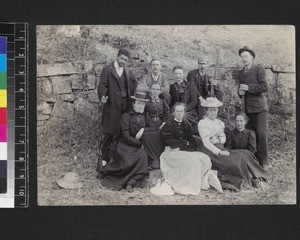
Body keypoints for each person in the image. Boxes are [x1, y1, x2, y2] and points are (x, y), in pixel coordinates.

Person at [158, 103, 220, 195]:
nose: (179, 113)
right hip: (172, 152)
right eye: (177, 111)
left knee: (205, 159)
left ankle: (201, 183)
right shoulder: (168, 125)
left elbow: (191, 141)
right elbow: (170, 142)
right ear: (173, 113)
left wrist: (186, 146)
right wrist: (184, 143)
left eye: (181, 111)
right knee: (193, 160)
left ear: (184, 113)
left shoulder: (186, 125)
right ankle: (187, 185)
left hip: (184, 150)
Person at [197, 97, 254, 191]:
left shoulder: (219, 122)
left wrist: (218, 140)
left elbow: (223, 139)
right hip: (208, 150)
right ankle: (235, 181)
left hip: (219, 146)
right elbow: (206, 142)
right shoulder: (203, 123)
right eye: (210, 110)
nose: (213, 112)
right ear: (206, 111)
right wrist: (219, 152)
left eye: (215, 110)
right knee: (232, 161)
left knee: (239, 155)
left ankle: (247, 179)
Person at [97, 48, 137, 174]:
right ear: (117, 57)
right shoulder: (108, 69)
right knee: (109, 133)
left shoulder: (126, 70)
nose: (123, 61)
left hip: (125, 106)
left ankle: (118, 160)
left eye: (126, 60)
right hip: (112, 106)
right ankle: (103, 160)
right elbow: (102, 86)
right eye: (122, 59)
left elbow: (133, 83)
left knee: (122, 132)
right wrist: (103, 96)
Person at [100, 92, 151, 191]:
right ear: (133, 104)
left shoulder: (146, 117)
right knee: (127, 162)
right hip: (124, 146)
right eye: (139, 103)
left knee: (143, 155)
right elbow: (126, 136)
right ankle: (119, 178)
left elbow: (154, 126)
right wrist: (140, 144)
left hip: (137, 148)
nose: (141, 106)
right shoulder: (126, 117)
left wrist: (144, 130)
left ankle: (132, 182)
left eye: (143, 104)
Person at [238, 46, 268, 168]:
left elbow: (264, 87)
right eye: (242, 56)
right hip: (246, 109)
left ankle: (264, 162)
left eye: (246, 56)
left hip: (259, 108)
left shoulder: (259, 69)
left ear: (252, 57)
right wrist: (239, 92)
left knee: (261, 133)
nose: (244, 59)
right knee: (250, 134)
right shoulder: (241, 72)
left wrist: (249, 88)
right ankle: (252, 160)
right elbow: (240, 89)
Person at [225, 112, 268, 186]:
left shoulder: (250, 133)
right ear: (235, 121)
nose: (239, 123)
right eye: (237, 121)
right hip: (235, 158)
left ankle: (253, 179)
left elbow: (252, 150)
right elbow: (228, 149)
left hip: (247, 158)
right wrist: (237, 155)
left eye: (241, 121)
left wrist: (242, 154)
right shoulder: (231, 134)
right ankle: (247, 181)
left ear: (245, 122)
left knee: (247, 166)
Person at [143, 83, 170, 169]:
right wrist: (148, 122)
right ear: (150, 90)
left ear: (160, 91)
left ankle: (160, 159)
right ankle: (152, 159)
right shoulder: (146, 101)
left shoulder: (162, 101)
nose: (155, 91)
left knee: (162, 135)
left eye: (157, 89)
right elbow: (143, 114)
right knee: (148, 135)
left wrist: (164, 123)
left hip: (161, 123)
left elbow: (167, 113)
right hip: (150, 124)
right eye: (153, 89)